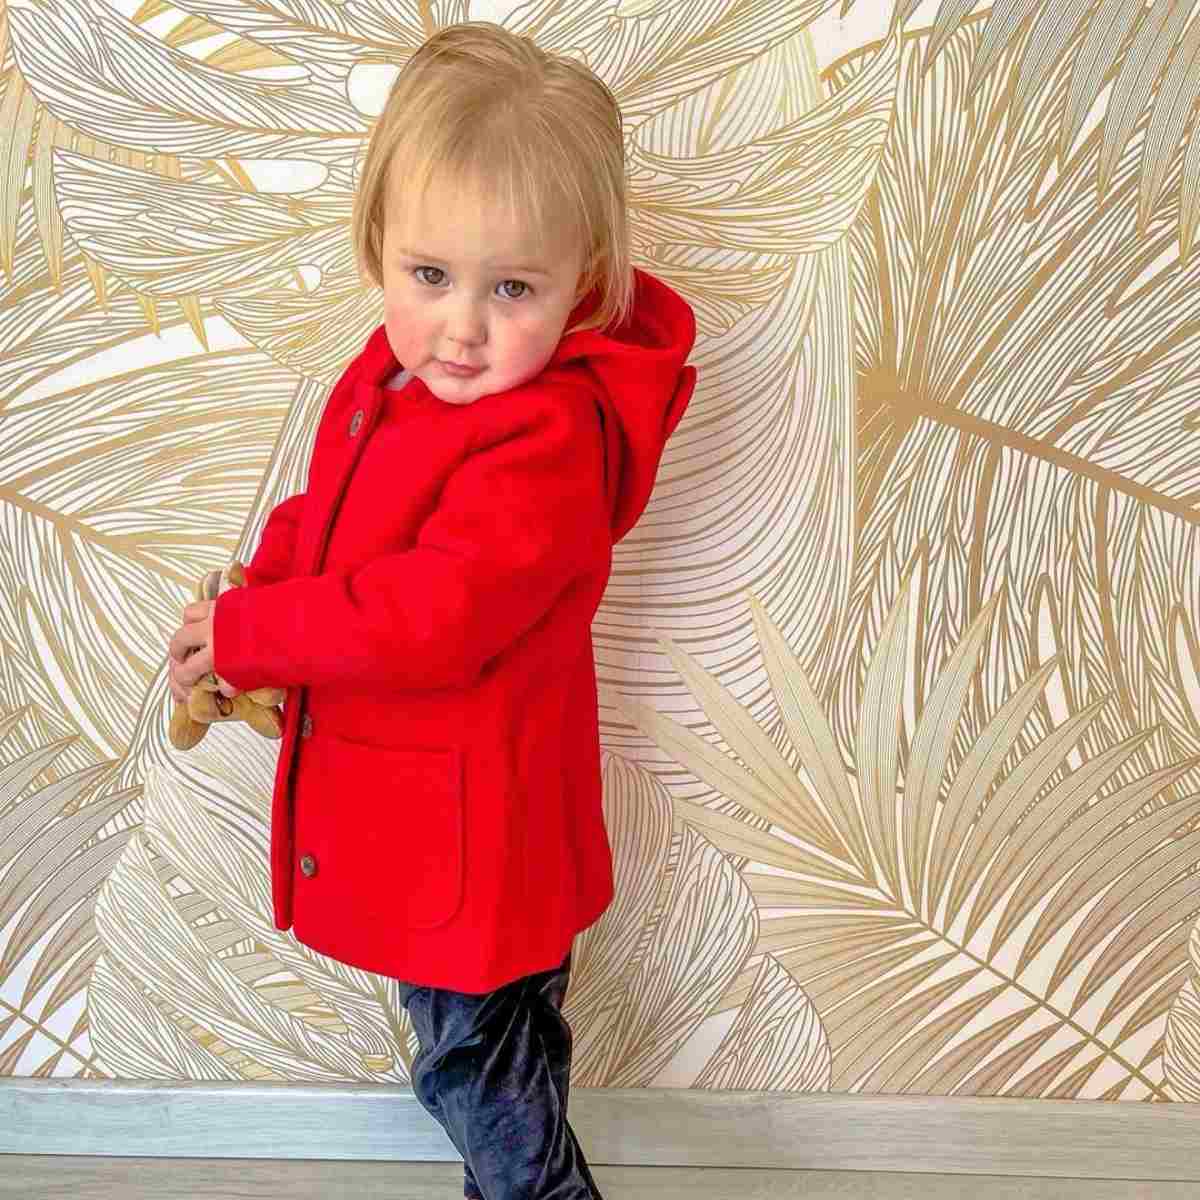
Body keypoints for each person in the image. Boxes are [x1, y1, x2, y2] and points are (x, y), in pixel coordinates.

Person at [166, 20, 696, 1200]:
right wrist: (262, 587)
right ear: (379, 246)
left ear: (582, 283)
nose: (463, 325)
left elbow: (432, 610)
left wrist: (259, 634)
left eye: (513, 289)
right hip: (435, 829)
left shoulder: (546, 441)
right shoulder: (396, 377)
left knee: (473, 1067)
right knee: (496, 1058)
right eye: (430, 276)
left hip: (480, 840)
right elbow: (339, 518)